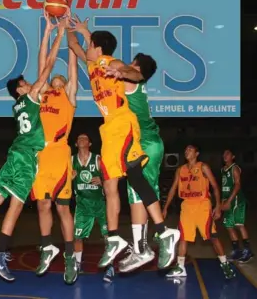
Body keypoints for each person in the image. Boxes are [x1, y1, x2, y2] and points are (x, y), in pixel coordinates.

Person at [67, 15, 179, 270]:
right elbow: (87, 51)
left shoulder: (122, 73)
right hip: (115, 132)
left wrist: (122, 69)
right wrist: (77, 30)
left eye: (131, 64)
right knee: (123, 186)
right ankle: (131, 242)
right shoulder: (98, 67)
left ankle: (158, 235)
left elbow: (128, 71)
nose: (127, 64)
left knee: (136, 183)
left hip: (135, 134)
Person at [0, 15, 67, 282]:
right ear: (21, 88)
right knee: (17, 205)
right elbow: (49, 64)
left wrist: (46, 30)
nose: (32, 82)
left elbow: (41, 63)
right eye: (27, 82)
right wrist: (59, 33)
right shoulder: (31, 97)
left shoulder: (16, 106)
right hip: (25, 157)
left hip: (14, 152)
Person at [105, 53, 164, 272]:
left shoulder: (131, 80)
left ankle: (143, 248)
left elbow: (134, 74)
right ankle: (142, 246)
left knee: (136, 193)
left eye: (131, 63)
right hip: (147, 144)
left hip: (146, 144)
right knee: (138, 191)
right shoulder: (132, 83)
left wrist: (122, 71)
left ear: (136, 66)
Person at [32, 11, 79, 285]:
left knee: (63, 208)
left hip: (60, 154)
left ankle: (70, 256)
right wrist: (50, 30)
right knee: (42, 205)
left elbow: (71, 65)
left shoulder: (69, 96)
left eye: (61, 80)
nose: (57, 81)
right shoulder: (43, 92)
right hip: (42, 154)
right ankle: (47, 247)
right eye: (55, 79)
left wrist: (69, 32)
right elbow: (43, 63)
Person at [163, 145, 236, 279]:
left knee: (212, 236)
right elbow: (173, 189)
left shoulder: (203, 167)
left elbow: (214, 186)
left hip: (202, 205)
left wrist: (218, 206)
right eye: (185, 150)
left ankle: (225, 264)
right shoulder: (181, 170)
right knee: (183, 236)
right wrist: (165, 207)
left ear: (196, 153)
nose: (186, 151)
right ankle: (180, 267)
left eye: (190, 150)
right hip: (186, 206)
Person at [71, 134, 114, 282]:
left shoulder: (97, 159)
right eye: (79, 138)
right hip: (82, 204)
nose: (81, 140)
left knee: (108, 237)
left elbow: (113, 177)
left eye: (85, 138)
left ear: (89, 143)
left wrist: (103, 181)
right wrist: (67, 178)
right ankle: (77, 265)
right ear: (76, 144)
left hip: (100, 203)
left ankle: (110, 267)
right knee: (77, 237)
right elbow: (60, 180)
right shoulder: (70, 161)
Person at [221, 149, 253, 262]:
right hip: (227, 200)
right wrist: (222, 202)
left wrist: (229, 200)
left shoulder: (234, 168)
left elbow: (237, 185)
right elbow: (224, 188)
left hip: (237, 200)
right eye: (224, 153)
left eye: (228, 154)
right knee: (228, 226)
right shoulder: (223, 170)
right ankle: (237, 251)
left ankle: (248, 251)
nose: (225, 155)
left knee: (239, 225)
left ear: (233, 156)